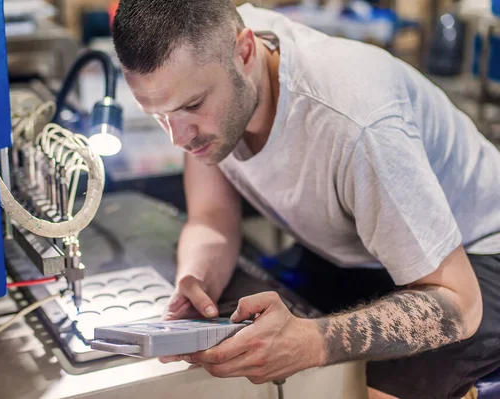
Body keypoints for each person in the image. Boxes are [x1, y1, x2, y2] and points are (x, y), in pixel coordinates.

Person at [111, 1, 500, 398]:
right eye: (158, 114)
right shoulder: (203, 62)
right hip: (365, 250)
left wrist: (311, 343)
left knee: (389, 383)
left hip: (477, 253)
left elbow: (458, 303)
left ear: (244, 53)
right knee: (251, 321)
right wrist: (196, 282)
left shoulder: (357, 123)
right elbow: (211, 219)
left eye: (192, 106)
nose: (178, 137)